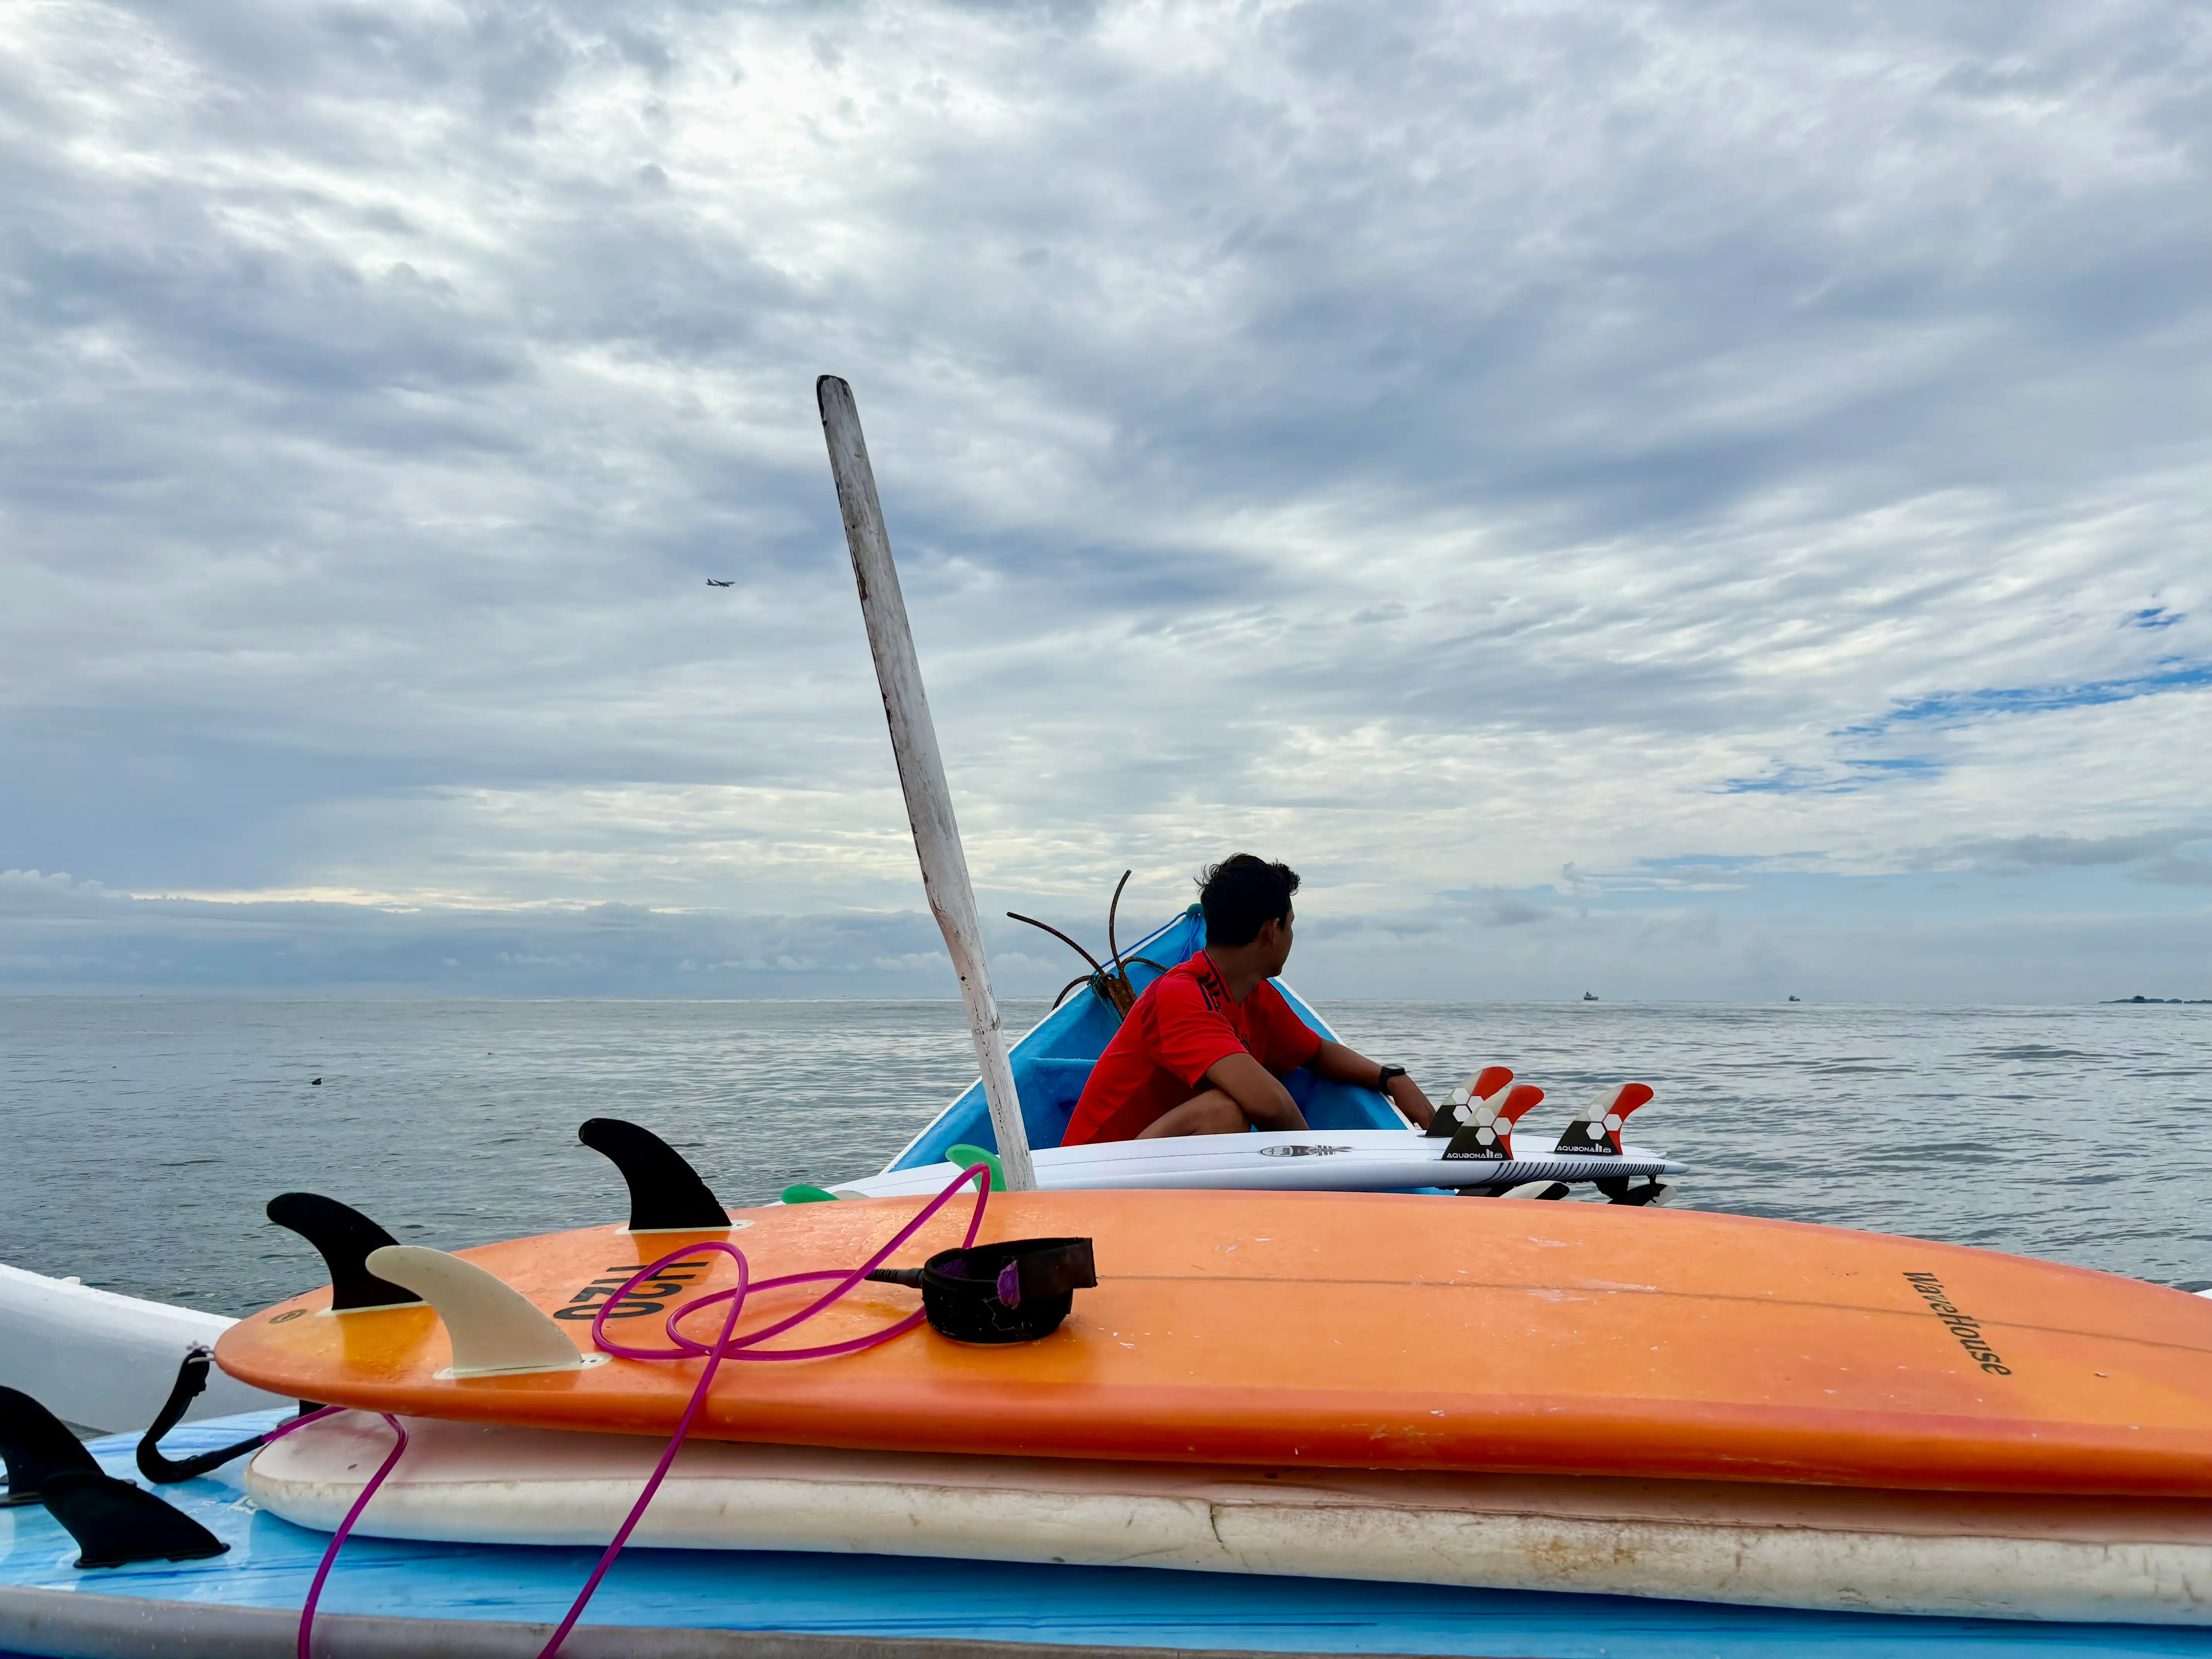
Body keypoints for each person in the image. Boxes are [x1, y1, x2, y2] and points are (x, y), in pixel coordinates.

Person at [1060, 854, 1437, 1143]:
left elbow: (1316, 1053)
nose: (1292, 938)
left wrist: (1391, 1078)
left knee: (1230, 1109)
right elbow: (1271, 1103)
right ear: (1272, 931)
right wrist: (1320, 1190)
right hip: (1092, 1186)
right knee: (1223, 1113)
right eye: (1291, 927)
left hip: (1152, 1176)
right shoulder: (1179, 995)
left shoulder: (1255, 995)